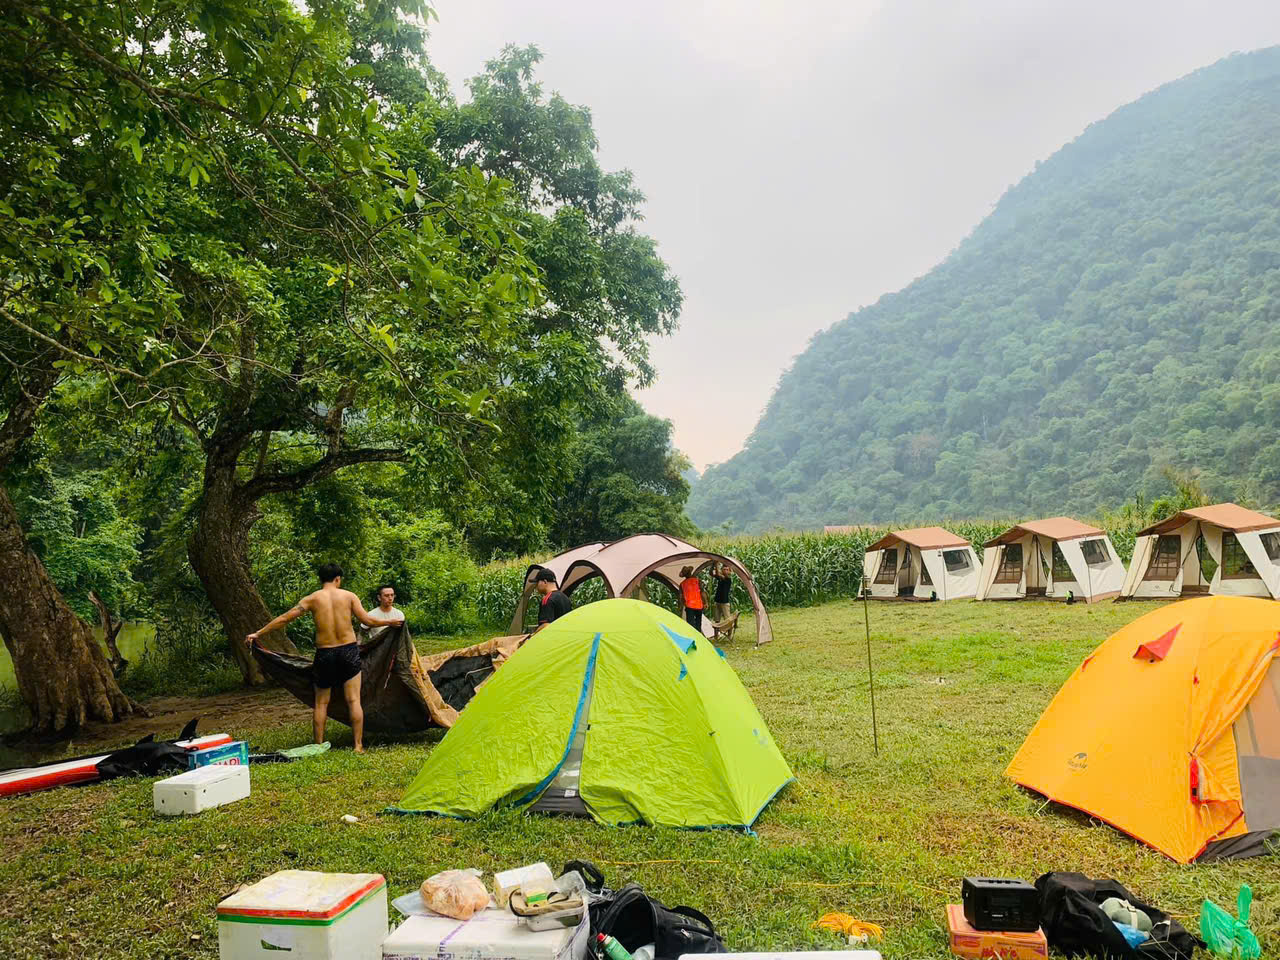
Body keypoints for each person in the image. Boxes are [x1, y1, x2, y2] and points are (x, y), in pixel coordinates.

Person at [246, 562, 401, 754]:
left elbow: (285, 618)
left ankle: (318, 746)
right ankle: (358, 746)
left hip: (326, 653)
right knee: (353, 700)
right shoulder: (348, 596)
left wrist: (258, 633)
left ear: (321, 579)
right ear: (338, 579)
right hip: (348, 651)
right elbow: (367, 621)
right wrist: (390, 622)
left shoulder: (312, 599)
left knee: (321, 703)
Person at [679, 565, 705, 631]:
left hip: (689, 606)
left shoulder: (682, 584)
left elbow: (681, 597)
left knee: (691, 625)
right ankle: (699, 638)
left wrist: (683, 604)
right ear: (690, 572)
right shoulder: (697, 581)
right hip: (699, 605)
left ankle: (693, 637)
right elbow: (702, 593)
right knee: (698, 624)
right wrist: (705, 602)